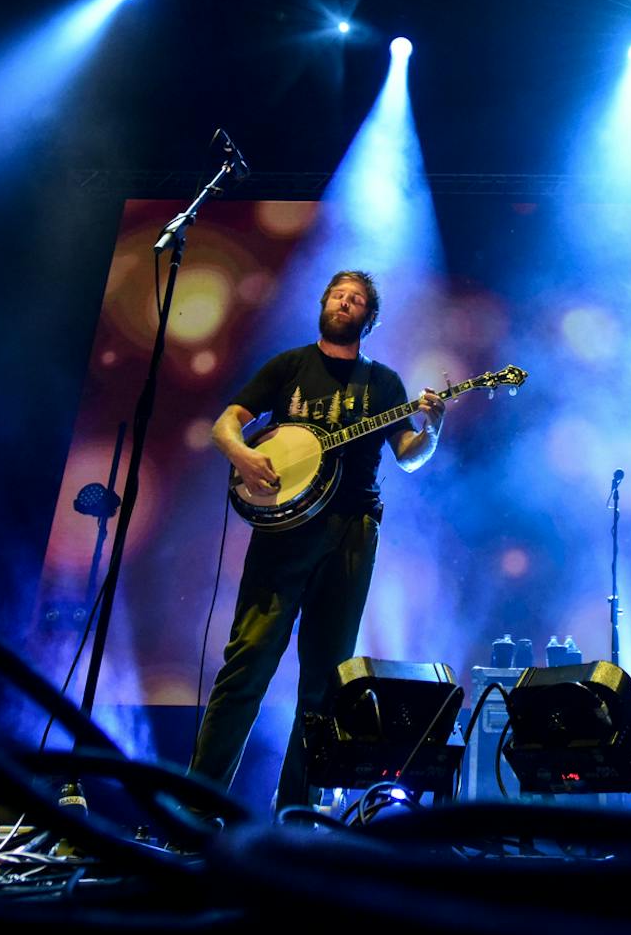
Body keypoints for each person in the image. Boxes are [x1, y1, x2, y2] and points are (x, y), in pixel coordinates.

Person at [189, 269, 444, 810]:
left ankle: (297, 816)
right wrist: (242, 454)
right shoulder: (289, 367)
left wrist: (433, 428)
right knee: (246, 666)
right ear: (323, 304)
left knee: (324, 686)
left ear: (368, 319)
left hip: (352, 532)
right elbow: (225, 425)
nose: (344, 303)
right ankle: (197, 809)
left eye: (355, 300)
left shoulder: (384, 384)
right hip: (283, 533)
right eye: (337, 295)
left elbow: (409, 456)